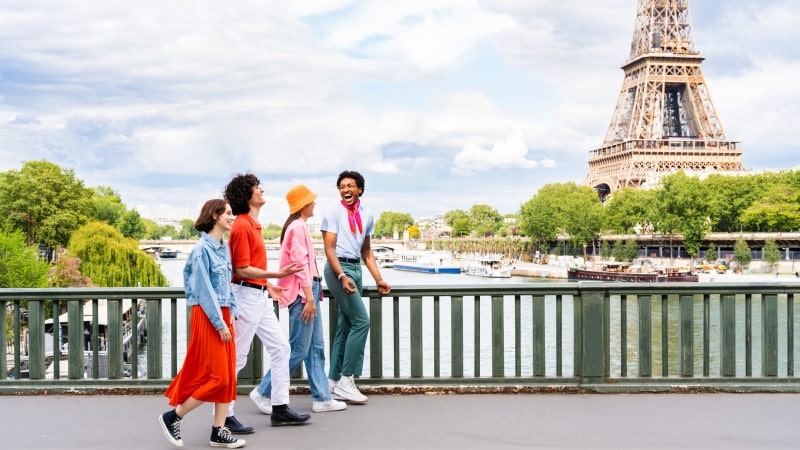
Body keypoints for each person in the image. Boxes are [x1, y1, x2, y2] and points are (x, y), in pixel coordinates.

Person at [223, 173, 310, 431]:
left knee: (281, 349)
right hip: (246, 298)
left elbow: (250, 268)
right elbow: (240, 269)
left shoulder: (253, 225)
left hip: (257, 296)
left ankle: (280, 408)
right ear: (246, 195)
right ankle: (225, 416)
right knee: (237, 358)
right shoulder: (240, 225)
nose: (261, 190)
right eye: (256, 187)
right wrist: (277, 275)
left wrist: (269, 286)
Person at [250, 185, 347, 414]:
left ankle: (322, 398)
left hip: (307, 290)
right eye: (312, 201)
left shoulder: (296, 226)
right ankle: (263, 391)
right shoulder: (298, 227)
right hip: (304, 293)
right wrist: (309, 297)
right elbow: (300, 265)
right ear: (304, 205)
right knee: (299, 349)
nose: (315, 204)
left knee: (315, 347)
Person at [159, 199, 245, 449]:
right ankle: (173, 416)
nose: (232, 217)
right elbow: (204, 291)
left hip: (223, 314)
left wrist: (232, 314)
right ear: (215, 215)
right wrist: (220, 323)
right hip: (208, 316)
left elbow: (226, 287)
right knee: (216, 377)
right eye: (228, 214)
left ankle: (218, 431)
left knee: (227, 376)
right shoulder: (201, 250)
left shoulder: (223, 248)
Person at [322, 170, 391, 404]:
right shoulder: (333, 212)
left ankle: (332, 380)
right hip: (338, 268)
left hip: (356, 270)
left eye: (350, 186)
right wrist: (341, 275)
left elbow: (366, 251)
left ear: (360, 189)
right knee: (362, 321)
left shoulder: (368, 215)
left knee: (346, 324)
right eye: (342, 186)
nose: (346, 190)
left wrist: (379, 278)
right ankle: (347, 379)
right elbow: (329, 249)